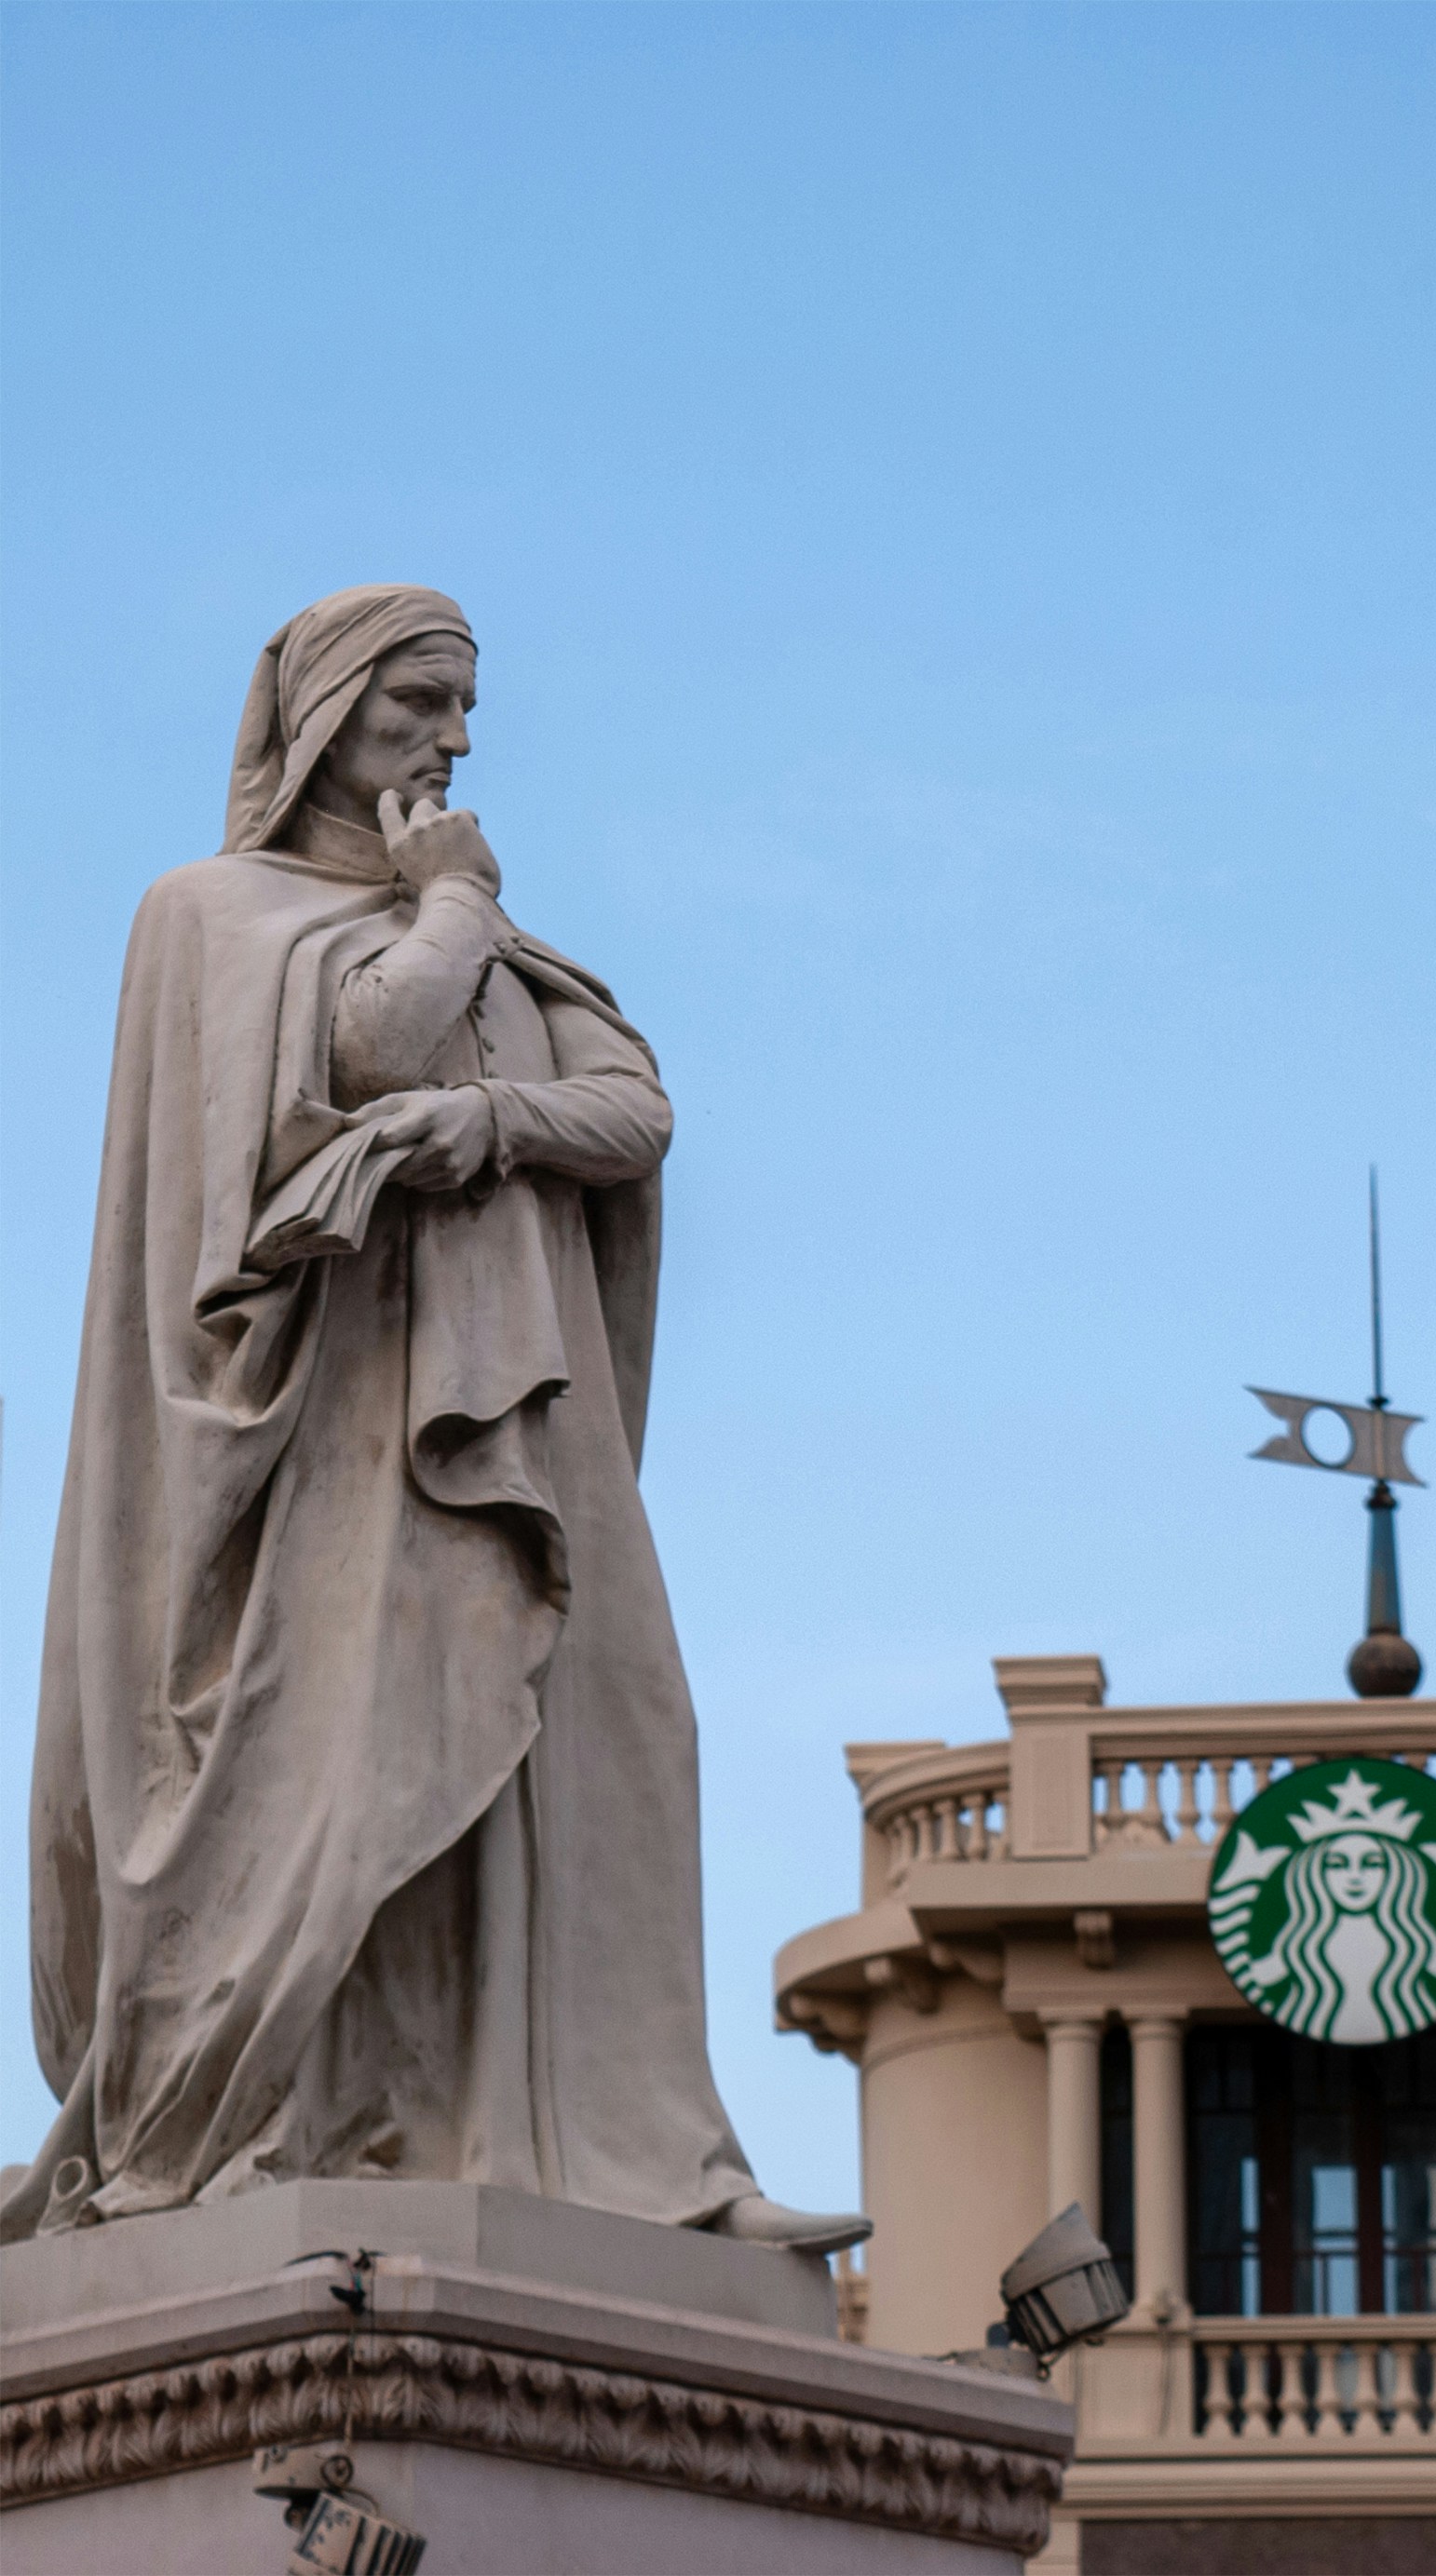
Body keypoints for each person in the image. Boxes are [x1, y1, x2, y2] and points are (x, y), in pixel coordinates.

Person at [4, 584, 866, 2254]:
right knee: (368, 1763)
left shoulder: (496, 945)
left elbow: (634, 1113)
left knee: (618, 1733)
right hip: (332, 1445)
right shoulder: (213, 913)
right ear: (328, 712)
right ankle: (339, 2131)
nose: (455, 738)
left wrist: (481, 1122)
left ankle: (643, 2165)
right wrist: (452, 909)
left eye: (465, 703)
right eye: (419, 700)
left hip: (526, 1415)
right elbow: (367, 1045)